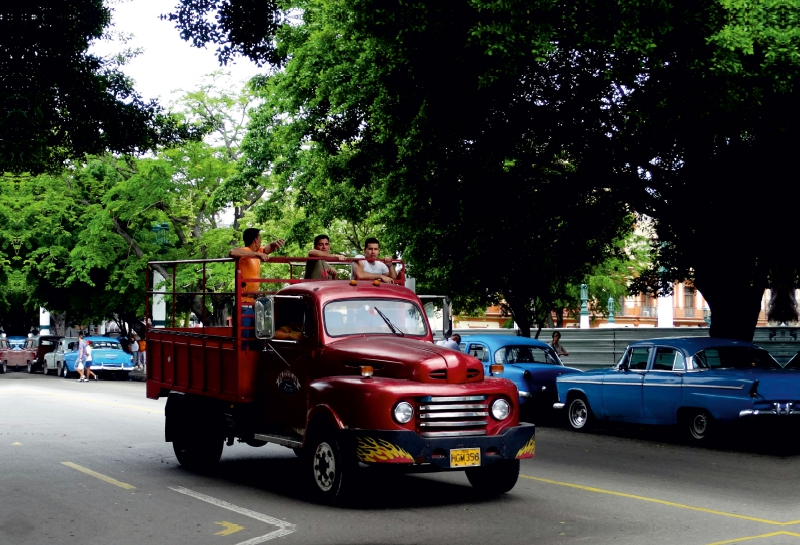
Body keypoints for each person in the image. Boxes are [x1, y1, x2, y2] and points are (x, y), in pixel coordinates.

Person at [229, 228, 286, 299]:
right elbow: (232, 252)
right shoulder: (245, 251)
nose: (261, 241)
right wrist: (258, 255)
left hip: (252, 301)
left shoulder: (257, 252)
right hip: (243, 302)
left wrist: (274, 244)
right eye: (260, 238)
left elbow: (269, 247)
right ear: (255, 240)